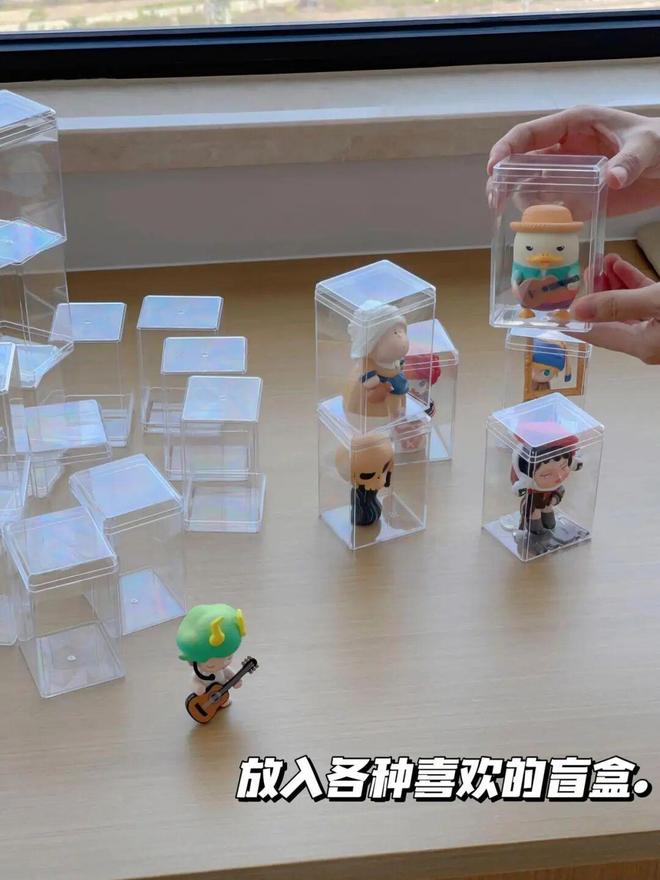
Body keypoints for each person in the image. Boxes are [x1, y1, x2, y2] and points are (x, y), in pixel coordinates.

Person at [488, 106, 660, 364]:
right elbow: (517, 278)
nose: (544, 256)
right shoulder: (523, 268)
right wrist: (519, 285)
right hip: (529, 302)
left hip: (563, 302)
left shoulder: (567, 269)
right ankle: (529, 309)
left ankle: (559, 309)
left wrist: (570, 286)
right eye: (531, 248)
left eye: (558, 248)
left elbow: (574, 278)